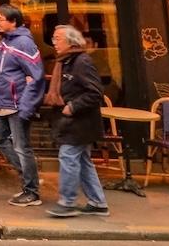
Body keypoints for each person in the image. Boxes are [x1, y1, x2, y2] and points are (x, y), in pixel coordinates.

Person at [45, 25, 110, 217]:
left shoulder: (81, 61)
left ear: (71, 41)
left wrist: (73, 106)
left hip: (80, 122)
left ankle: (67, 202)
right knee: (82, 161)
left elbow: (95, 92)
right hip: (74, 122)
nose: (54, 43)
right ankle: (98, 202)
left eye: (58, 39)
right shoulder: (65, 61)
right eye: (54, 39)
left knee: (68, 157)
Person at [0, 3, 46, 207]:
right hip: (5, 102)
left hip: (16, 103)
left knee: (22, 147)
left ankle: (31, 192)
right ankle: (28, 176)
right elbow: (1, 74)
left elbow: (37, 76)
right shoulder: (5, 42)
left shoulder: (23, 43)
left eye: (0, 19)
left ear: (13, 21)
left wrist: (27, 104)